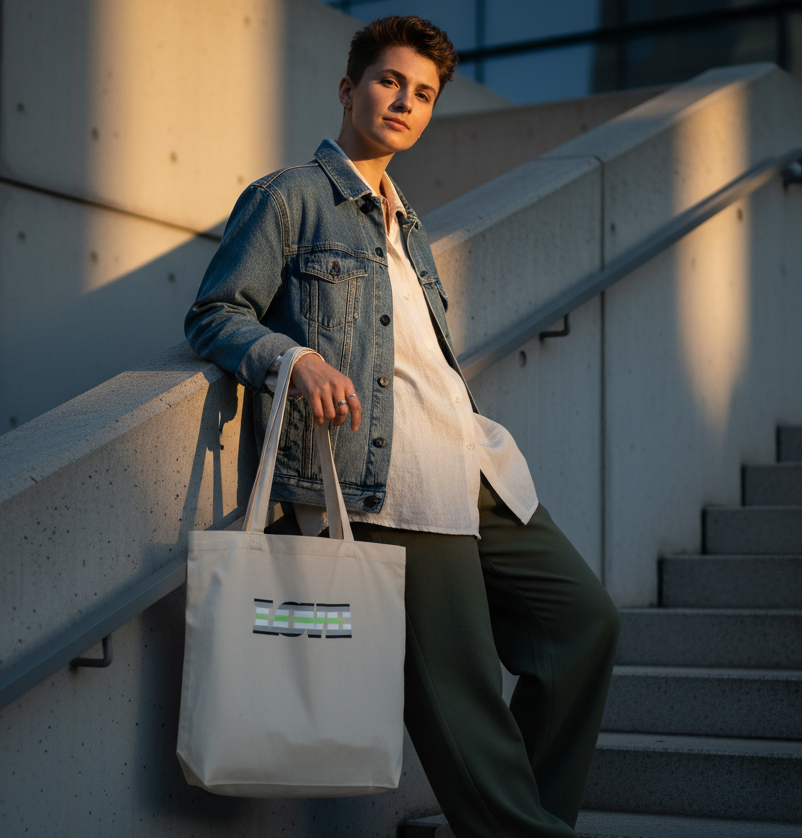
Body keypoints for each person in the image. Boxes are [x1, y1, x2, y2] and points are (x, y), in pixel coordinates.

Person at [184, 15, 620, 838]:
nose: (405, 102)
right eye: (389, 81)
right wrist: (289, 358)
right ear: (349, 89)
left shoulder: (408, 223)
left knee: (584, 625)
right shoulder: (291, 197)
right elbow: (214, 314)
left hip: (472, 469)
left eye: (423, 94)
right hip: (383, 487)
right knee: (462, 700)